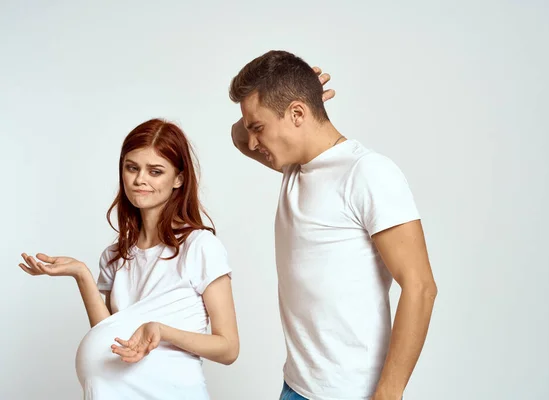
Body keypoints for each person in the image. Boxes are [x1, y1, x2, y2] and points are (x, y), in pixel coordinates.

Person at [229, 50, 438, 400]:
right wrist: (284, 98)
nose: (253, 142)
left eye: (259, 128)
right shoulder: (294, 167)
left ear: (297, 113)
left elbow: (420, 287)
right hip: (295, 387)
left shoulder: (367, 172)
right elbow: (238, 138)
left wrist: (389, 393)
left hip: (352, 393)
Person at [18, 118, 239, 399]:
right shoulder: (114, 256)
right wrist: (81, 274)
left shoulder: (200, 247)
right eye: (131, 167)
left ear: (179, 178)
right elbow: (109, 336)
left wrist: (162, 331)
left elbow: (229, 348)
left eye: (155, 171)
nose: (139, 180)